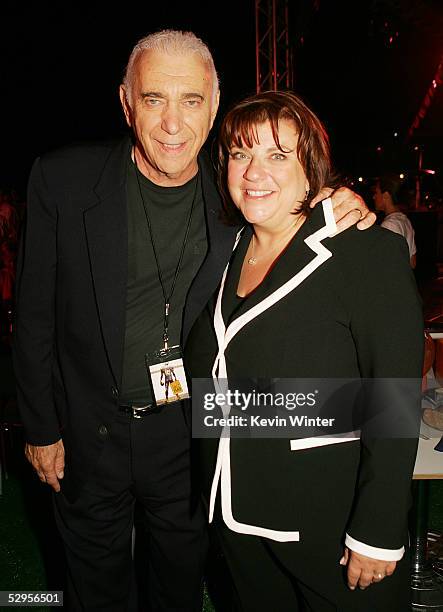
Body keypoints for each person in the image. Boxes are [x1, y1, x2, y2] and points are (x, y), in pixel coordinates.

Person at [13, 30, 374, 611]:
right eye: (154, 99)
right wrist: (40, 428)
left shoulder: (239, 187)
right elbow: (32, 316)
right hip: (86, 430)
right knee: (93, 587)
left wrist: (337, 198)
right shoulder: (63, 180)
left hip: (189, 431)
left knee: (178, 584)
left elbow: (291, 190)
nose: (172, 124)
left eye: (191, 101)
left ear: (214, 104)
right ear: (127, 102)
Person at [185, 90, 424, 611]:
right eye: (241, 154)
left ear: (312, 167)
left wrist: (379, 529)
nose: (253, 172)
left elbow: (394, 394)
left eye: (277, 154)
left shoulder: (364, 252)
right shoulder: (221, 253)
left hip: (329, 527)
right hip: (232, 515)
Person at [373, 173, 417, 268]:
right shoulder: (405, 220)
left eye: (376, 192)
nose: (374, 197)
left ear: (386, 195)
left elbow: (387, 265)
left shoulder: (389, 225)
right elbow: (413, 262)